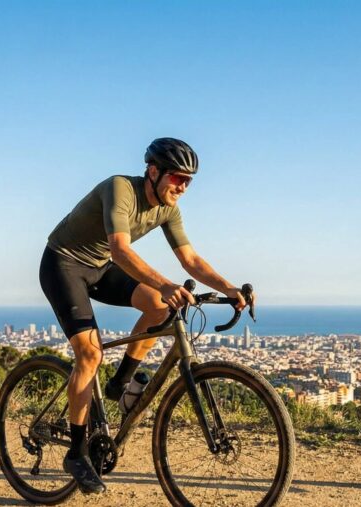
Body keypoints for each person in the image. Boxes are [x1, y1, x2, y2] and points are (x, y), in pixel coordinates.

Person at [39, 137, 253, 494]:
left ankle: (119, 383)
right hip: (63, 264)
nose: (182, 187)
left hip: (100, 266)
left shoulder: (169, 209)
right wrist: (167, 284)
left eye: (188, 181)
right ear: (153, 172)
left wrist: (230, 288)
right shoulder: (120, 188)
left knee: (159, 306)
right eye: (177, 178)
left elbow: (191, 261)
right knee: (90, 354)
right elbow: (121, 251)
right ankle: (76, 453)